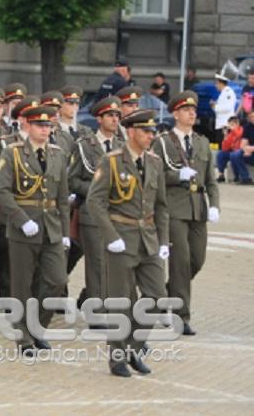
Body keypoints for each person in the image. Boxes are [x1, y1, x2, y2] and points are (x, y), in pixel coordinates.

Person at [86, 109, 170, 378]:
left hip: (148, 239)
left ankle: (133, 346)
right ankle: (118, 357)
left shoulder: (155, 162)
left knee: (157, 297)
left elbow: (162, 206)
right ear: (131, 132)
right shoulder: (112, 161)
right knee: (121, 302)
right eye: (146, 131)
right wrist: (110, 237)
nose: (150, 136)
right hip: (121, 237)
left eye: (152, 131)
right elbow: (94, 202)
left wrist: (164, 240)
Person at [0, 104, 70, 356]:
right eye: (40, 125)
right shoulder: (13, 153)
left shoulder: (58, 154)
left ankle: (37, 327)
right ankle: (24, 338)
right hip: (23, 228)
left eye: (48, 125)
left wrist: (66, 232)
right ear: (28, 126)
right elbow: (2, 191)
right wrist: (20, 219)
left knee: (57, 280)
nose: (45, 130)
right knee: (22, 285)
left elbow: (61, 198)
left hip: (51, 227)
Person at [152, 91, 219, 336]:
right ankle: (181, 316)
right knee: (180, 262)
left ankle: (160, 300)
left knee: (196, 260)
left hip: (198, 209)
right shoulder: (162, 142)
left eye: (194, 110)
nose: (192, 113)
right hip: (174, 209)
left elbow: (211, 179)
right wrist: (175, 176)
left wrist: (214, 205)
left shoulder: (201, 142)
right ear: (175, 113)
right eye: (186, 110)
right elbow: (155, 175)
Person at [68, 96, 123, 309]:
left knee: (113, 262)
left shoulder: (122, 145)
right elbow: (72, 180)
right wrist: (96, 192)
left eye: (117, 115)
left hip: (117, 213)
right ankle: (96, 310)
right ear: (99, 119)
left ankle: (91, 299)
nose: (114, 119)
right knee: (97, 263)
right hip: (91, 213)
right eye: (110, 115)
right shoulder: (84, 146)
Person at [216, 116, 250, 184]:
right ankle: (221, 175)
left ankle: (238, 177)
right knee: (220, 154)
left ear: (237, 124)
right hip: (233, 151)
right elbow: (224, 148)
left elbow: (239, 135)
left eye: (232, 124)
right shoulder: (231, 133)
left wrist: (233, 129)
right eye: (230, 124)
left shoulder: (242, 129)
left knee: (234, 155)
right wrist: (225, 136)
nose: (230, 126)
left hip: (243, 151)